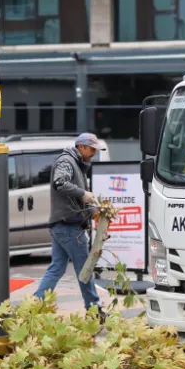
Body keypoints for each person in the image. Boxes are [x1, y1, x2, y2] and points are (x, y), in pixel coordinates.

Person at [34, 133, 108, 318]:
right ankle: (94, 310)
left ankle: (34, 306)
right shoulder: (67, 161)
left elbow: (76, 202)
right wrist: (83, 193)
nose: (93, 154)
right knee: (85, 269)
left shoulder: (77, 164)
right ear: (81, 147)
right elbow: (59, 183)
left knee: (57, 267)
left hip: (63, 224)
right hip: (69, 227)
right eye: (92, 149)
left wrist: (95, 211)